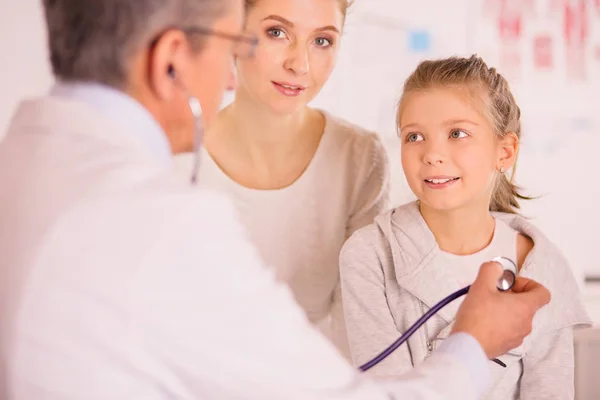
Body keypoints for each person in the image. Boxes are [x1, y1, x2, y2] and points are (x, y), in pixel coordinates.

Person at [0, 1, 551, 399]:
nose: (232, 79)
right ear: (171, 58)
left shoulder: (28, 162)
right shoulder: (158, 221)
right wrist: (474, 344)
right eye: (232, 44)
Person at [339, 55, 592, 399]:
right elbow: (389, 393)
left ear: (505, 151)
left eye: (457, 133)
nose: (432, 154)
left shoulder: (543, 267)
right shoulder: (369, 255)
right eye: (414, 137)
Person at [173, 0, 389, 356]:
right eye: (277, 32)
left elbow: (360, 323)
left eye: (322, 41)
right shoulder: (176, 155)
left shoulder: (360, 157)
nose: (299, 65)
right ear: (234, 32)